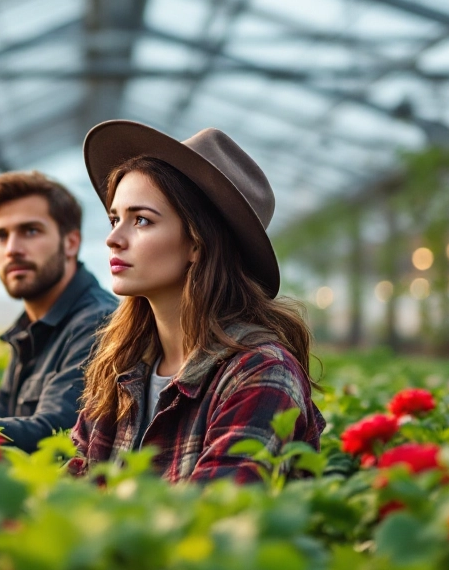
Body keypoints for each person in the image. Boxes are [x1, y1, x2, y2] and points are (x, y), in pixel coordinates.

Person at [71, 121, 323, 485]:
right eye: (115, 218)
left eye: (140, 220)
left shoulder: (261, 371)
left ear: (197, 243)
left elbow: (212, 516)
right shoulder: (122, 365)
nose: (113, 239)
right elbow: (69, 491)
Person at [0, 171, 118, 452]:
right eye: (0, 236)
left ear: (71, 243)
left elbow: (56, 430)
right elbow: (1, 410)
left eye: (30, 231)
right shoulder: (31, 328)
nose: (12, 249)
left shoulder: (97, 322)